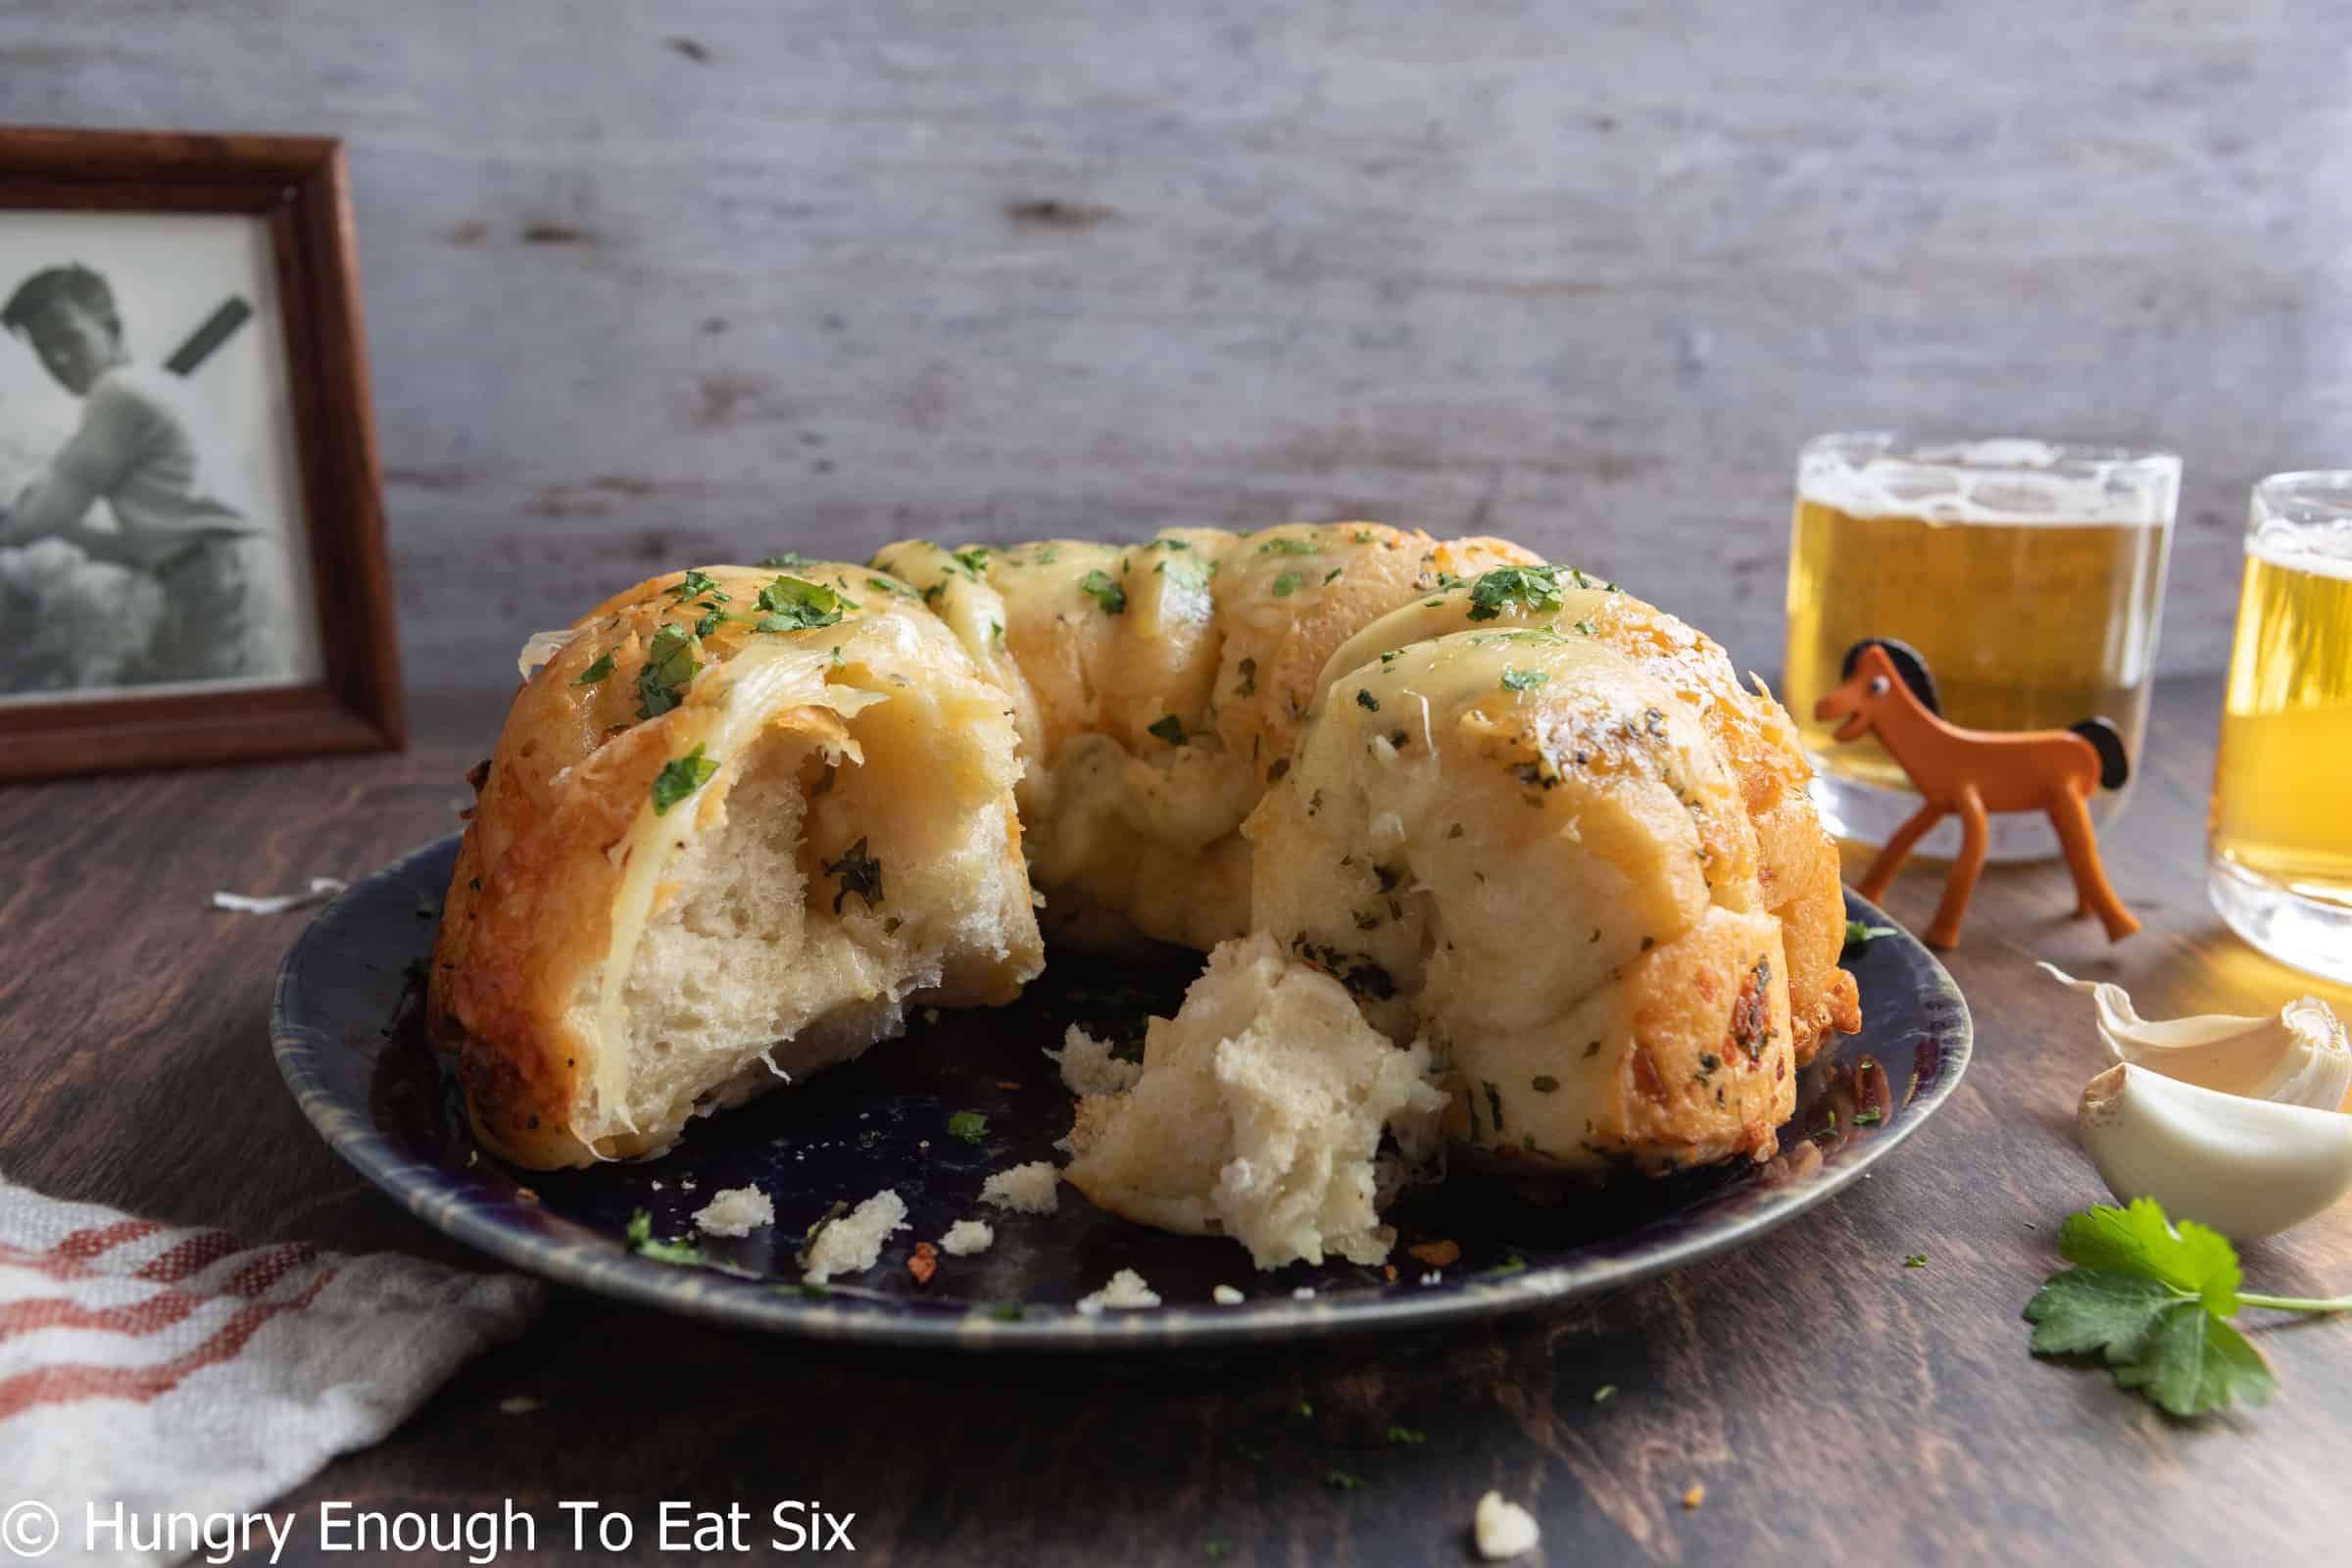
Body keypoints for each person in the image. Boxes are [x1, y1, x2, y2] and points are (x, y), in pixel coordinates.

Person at [0, 263, 288, 686]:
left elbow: (42, 516)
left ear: (111, 327)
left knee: (220, 729)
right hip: (210, 579)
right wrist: (62, 529)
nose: (58, 359)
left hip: (225, 580)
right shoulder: (155, 389)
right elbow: (139, 552)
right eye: (44, 349)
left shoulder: (120, 392)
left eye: (69, 338)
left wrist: (17, 518)